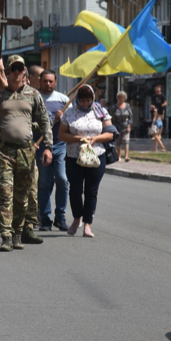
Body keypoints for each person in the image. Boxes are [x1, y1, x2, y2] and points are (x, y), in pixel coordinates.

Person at [0, 55, 52, 252]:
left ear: (25, 72)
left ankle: (18, 233)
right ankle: (6, 236)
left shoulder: (33, 94)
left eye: (20, 69)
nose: (17, 72)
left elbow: (45, 121)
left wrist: (48, 147)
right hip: (3, 151)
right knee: (5, 194)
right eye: (13, 69)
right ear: (7, 71)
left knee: (22, 196)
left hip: (26, 151)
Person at [59, 84, 113, 238]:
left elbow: (110, 134)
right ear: (77, 99)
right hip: (74, 156)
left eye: (88, 100)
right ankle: (77, 219)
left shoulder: (100, 111)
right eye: (82, 101)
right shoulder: (69, 112)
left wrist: (95, 138)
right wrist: (77, 139)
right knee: (75, 190)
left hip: (96, 155)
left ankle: (87, 224)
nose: (85, 104)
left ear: (92, 99)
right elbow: (62, 135)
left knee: (91, 191)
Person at [36, 69, 71, 232]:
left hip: (59, 145)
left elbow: (71, 123)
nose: (48, 84)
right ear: (40, 81)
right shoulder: (34, 98)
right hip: (39, 146)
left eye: (51, 81)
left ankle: (60, 217)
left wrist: (63, 117)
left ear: (55, 82)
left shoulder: (63, 100)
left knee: (62, 180)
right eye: (45, 81)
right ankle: (44, 218)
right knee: (44, 182)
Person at [112, 91, 133, 162]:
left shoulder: (127, 106)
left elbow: (130, 117)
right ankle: (119, 156)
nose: (121, 99)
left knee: (126, 141)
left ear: (124, 98)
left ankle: (126, 156)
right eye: (120, 97)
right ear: (118, 98)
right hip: (117, 126)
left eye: (122, 98)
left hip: (125, 125)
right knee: (118, 142)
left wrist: (129, 126)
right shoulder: (114, 107)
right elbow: (112, 117)